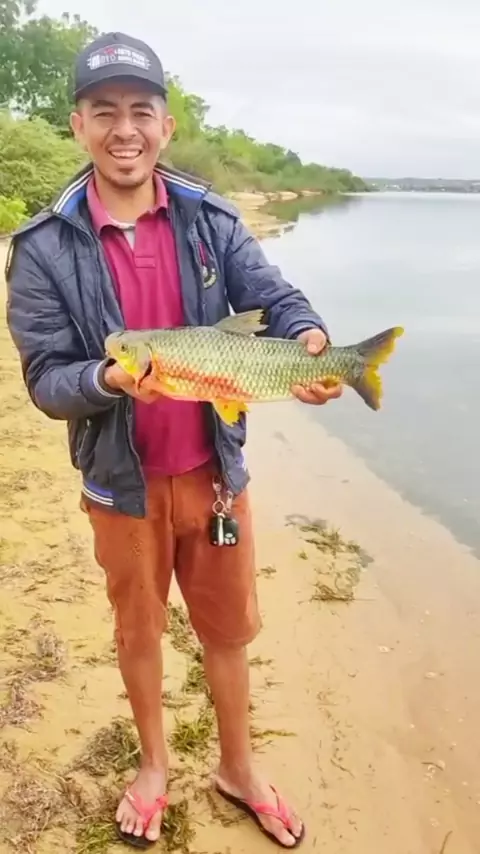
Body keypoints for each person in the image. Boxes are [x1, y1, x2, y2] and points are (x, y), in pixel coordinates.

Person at [5, 31, 342, 850]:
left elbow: (276, 299)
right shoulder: (42, 247)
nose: (124, 129)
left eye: (140, 111)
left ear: (166, 124)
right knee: (140, 632)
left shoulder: (211, 218)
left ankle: (239, 767)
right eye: (103, 111)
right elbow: (46, 381)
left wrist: (308, 338)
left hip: (215, 476)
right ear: (78, 125)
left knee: (227, 630)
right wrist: (108, 379)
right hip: (120, 486)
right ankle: (153, 767)